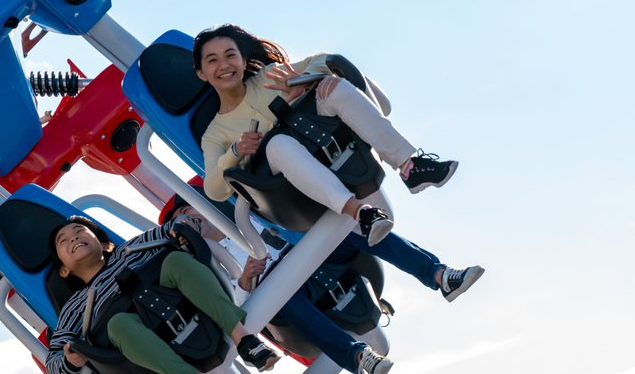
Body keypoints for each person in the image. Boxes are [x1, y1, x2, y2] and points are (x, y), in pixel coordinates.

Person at [163, 191, 484, 374]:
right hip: (287, 290)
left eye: (188, 209)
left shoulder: (245, 212)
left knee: (353, 229)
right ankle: (358, 358)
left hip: (316, 256)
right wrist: (246, 279)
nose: (189, 218)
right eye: (181, 221)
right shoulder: (208, 266)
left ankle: (439, 275)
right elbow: (235, 306)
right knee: (284, 301)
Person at [193, 23, 459, 243]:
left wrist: (300, 80)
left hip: (323, 146)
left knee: (332, 84)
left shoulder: (269, 76)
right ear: (202, 73)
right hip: (289, 192)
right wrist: (236, 152)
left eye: (230, 55)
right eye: (212, 60)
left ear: (242, 59)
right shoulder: (215, 133)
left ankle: (410, 166)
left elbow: (323, 61)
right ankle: (361, 213)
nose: (224, 64)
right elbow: (215, 190)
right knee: (278, 144)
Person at [44, 215, 279, 374]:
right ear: (64, 270)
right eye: (63, 241)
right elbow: (53, 362)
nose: (73, 237)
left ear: (105, 244)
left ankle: (245, 340)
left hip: (189, 309)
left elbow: (179, 225)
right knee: (116, 324)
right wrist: (70, 360)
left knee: (175, 259)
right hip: (145, 359)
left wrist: (185, 229)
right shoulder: (75, 307)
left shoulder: (130, 250)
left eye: (79, 231)